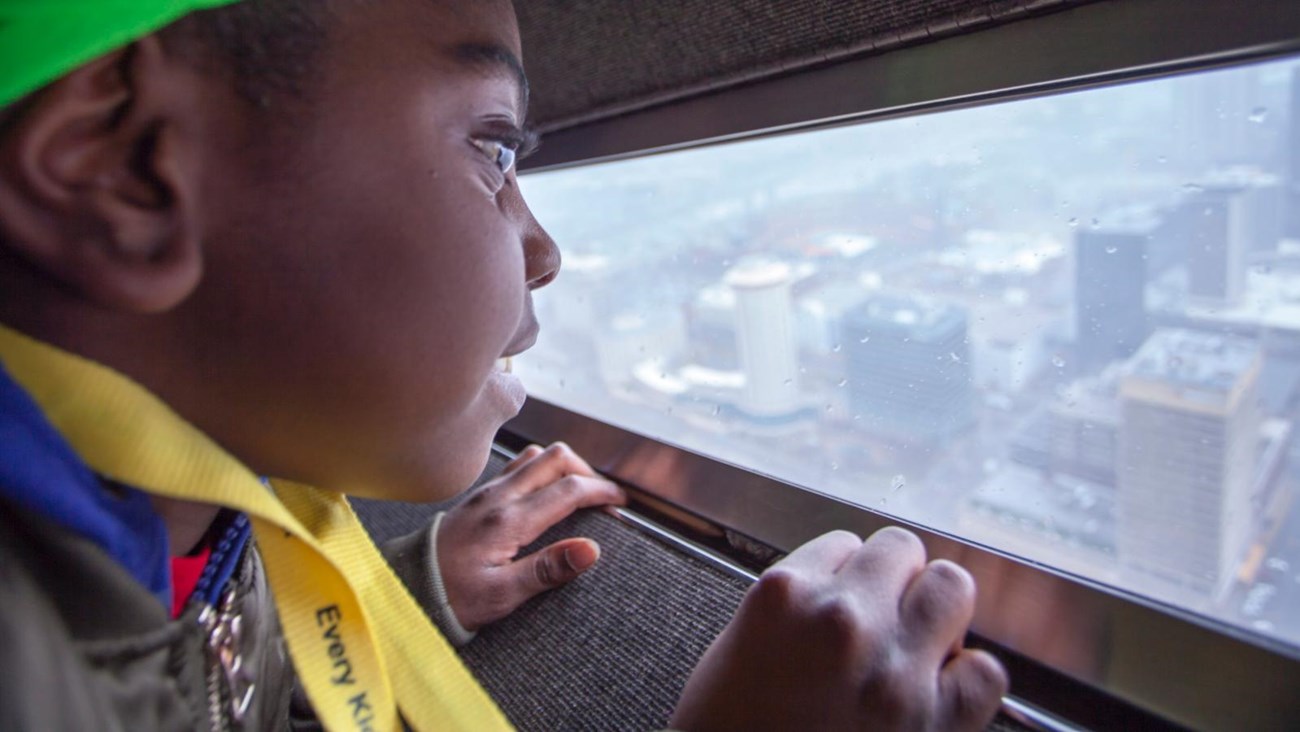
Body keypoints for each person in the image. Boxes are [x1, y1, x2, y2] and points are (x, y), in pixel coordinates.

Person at [0, 0, 1008, 729]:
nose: (543, 251)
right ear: (123, 170)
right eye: (494, 150)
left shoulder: (194, 523)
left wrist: (410, 591)